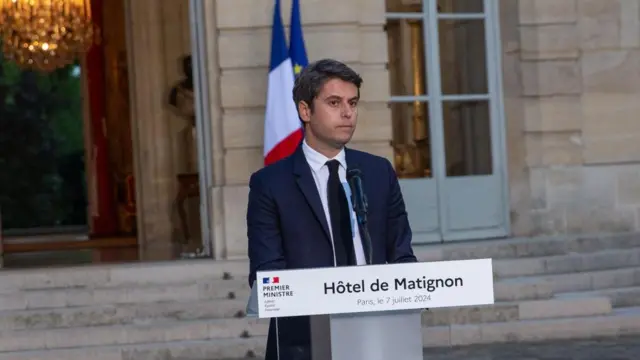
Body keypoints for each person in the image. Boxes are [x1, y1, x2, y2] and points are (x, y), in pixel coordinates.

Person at [247, 58, 417, 360]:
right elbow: (266, 273)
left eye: (353, 102)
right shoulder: (270, 184)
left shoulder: (378, 172)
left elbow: (402, 255)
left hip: (377, 335)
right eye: (334, 102)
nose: (347, 113)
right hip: (305, 341)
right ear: (305, 110)